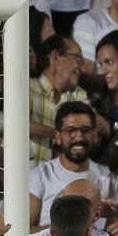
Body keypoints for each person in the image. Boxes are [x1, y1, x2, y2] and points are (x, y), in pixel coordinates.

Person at [29, 101, 118, 231]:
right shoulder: (41, 175)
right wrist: (68, 230)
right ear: (58, 136)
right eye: (71, 130)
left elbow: (117, 226)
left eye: (85, 130)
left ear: (93, 134)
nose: (79, 137)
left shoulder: (108, 178)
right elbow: (24, 230)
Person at [29, 35, 89, 164]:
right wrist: (56, 134)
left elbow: (89, 132)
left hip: (59, 182)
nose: (82, 68)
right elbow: (15, 123)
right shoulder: (27, 88)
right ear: (55, 57)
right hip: (19, 179)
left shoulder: (78, 96)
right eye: (78, 59)